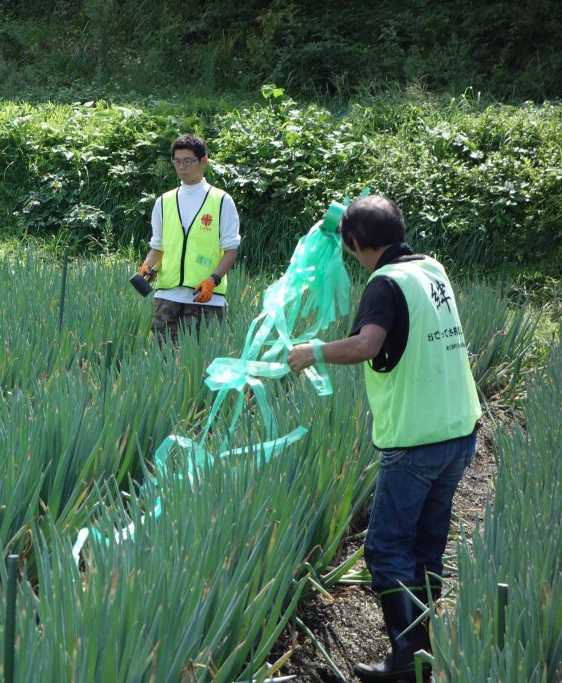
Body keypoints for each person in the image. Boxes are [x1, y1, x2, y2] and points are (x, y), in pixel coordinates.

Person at [287, 195, 481, 682]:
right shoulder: (430, 268)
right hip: (458, 429)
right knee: (427, 545)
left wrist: (312, 351)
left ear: (355, 244)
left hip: (415, 437)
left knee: (387, 548)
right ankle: (424, 650)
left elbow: (366, 345)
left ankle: (405, 662)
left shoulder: (384, 283)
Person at [137, 133, 241, 344]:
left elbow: (231, 250)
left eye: (187, 161)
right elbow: (158, 246)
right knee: (161, 360)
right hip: (167, 296)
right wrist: (148, 265)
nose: (181, 167)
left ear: (203, 161)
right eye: (177, 161)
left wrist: (213, 280)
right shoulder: (164, 201)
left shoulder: (221, 201)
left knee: (200, 363)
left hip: (205, 297)